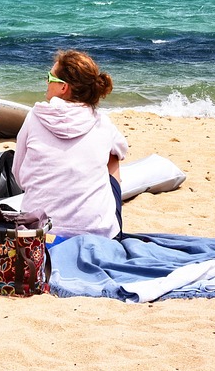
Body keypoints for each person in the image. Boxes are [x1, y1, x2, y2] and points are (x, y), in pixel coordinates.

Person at [12, 49, 128, 239]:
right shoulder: (101, 121)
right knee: (112, 156)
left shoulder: (34, 117)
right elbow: (121, 149)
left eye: (50, 77)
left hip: (39, 233)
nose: (47, 82)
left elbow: (18, 175)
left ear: (63, 87)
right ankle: (99, 222)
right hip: (99, 234)